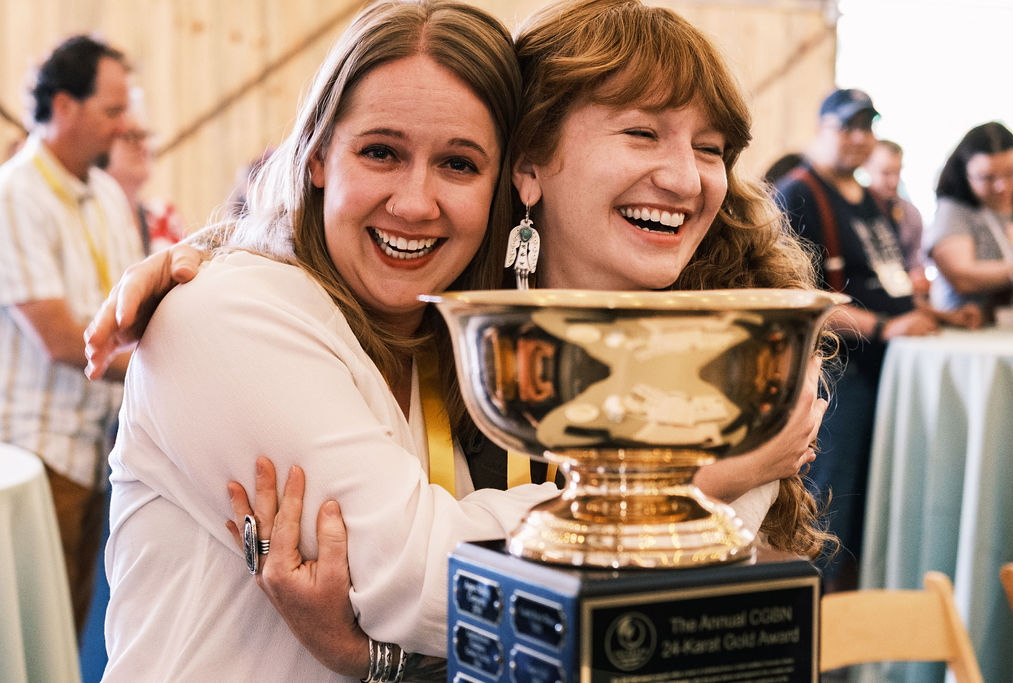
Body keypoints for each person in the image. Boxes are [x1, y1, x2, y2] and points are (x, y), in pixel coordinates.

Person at [88, 0, 829, 675]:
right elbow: (417, 578)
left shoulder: (728, 379)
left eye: (458, 163)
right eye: (381, 151)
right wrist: (692, 485)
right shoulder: (456, 338)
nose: (683, 178)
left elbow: (636, 644)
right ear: (528, 170)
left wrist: (382, 661)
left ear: (495, 177)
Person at [774, 88, 981, 593]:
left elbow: (883, 282)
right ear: (823, 128)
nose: (861, 138)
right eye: (849, 127)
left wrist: (938, 315)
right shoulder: (799, 192)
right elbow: (798, 296)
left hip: (885, 371)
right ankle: (813, 631)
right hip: (839, 375)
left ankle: (859, 626)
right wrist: (884, 328)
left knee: (870, 501)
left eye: (868, 127)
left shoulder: (868, 197)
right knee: (825, 505)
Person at [0, 34, 142, 635]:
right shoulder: (14, 193)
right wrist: (164, 369)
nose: (122, 127)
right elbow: (60, 340)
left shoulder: (108, 193)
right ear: (63, 107)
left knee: (71, 627)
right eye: (112, 111)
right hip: (34, 451)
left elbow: (138, 311)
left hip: (97, 446)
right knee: (30, 636)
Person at [926, 121, 1013, 319]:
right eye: (988, 177)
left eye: (1011, 173)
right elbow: (962, 276)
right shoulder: (954, 210)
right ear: (965, 173)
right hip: (967, 330)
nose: (1001, 186)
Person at [98, 91, 185, 254]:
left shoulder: (164, 216)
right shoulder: (91, 221)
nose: (142, 145)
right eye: (130, 136)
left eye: (144, 135)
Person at [863, 139, 929, 299]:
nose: (894, 181)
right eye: (886, 173)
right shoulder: (854, 212)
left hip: (905, 298)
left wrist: (917, 278)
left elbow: (916, 266)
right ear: (866, 167)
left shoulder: (910, 213)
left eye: (897, 172)